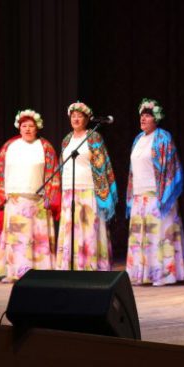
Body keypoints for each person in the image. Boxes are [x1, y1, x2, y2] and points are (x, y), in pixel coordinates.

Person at [0, 109, 60, 282]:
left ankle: (41, 271)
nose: (28, 129)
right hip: (15, 200)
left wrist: (50, 196)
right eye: (24, 126)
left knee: (37, 238)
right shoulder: (9, 147)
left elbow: (53, 173)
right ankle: (15, 271)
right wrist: (1, 196)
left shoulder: (45, 147)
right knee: (17, 239)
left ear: (37, 128)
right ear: (19, 128)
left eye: (31, 126)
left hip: (38, 201)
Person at [126, 98, 184, 285]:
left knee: (158, 236)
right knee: (141, 237)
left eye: (148, 115)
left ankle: (163, 274)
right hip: (139, 196)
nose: (143, 118)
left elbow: (170, 167)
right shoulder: (138, 139)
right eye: (142, 115)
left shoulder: (163, 137)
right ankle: (142, 274)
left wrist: (165, 194)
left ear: (156, 118)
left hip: (157, 196)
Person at [56, 101, 118, 271]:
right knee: (71, 229)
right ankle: (72, 266)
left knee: (89, 228)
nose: (76, 119)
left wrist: (103, 189)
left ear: (87, 119)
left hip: (88, 189)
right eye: (73, 116)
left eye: (80, 116)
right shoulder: (66, 140)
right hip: (69, 190)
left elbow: (101, 164)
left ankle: (91, 266)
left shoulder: (93, 136)